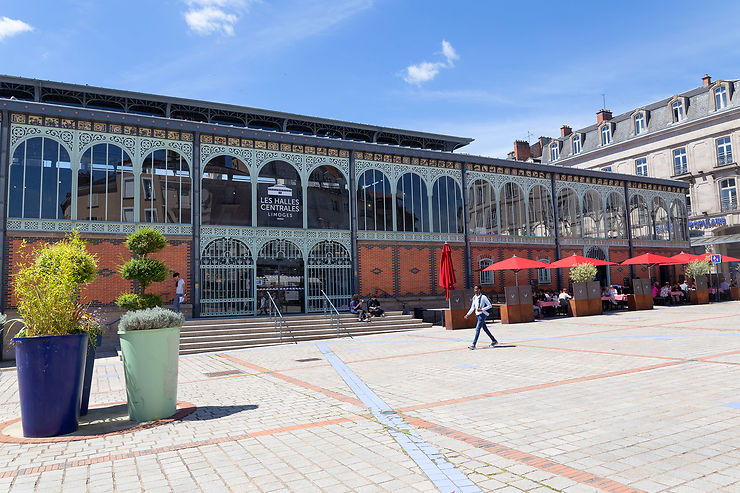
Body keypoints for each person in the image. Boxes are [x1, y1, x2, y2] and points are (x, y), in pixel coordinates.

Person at [464, 284, 498, 349]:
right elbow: (472, 307)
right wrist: (467, 314)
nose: (475, 290)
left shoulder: (483, 297)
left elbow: (490, 305)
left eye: (476, 289)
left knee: (477, 329)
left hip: (482, 314)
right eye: (474, 289)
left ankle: (473, 344)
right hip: (478, 314)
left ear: (479, 290)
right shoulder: (474, 297)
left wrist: (482, 309)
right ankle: (494, 340)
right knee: (485, 329)